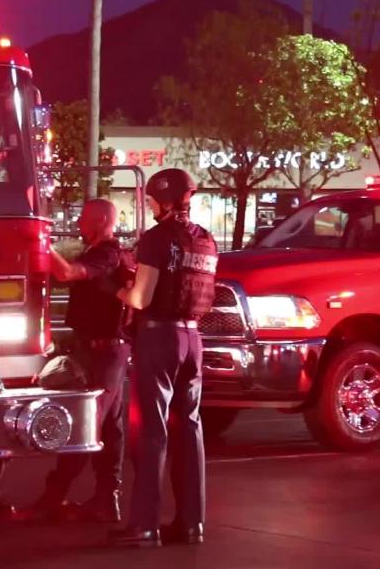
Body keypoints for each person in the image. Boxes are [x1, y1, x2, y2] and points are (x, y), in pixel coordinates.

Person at [109, 168, 217, 548]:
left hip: (160, 338)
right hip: (192, 339)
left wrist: (119, 289)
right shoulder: (205, 240)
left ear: (165, 200)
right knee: (190, 428)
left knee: (151, 431)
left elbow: (141, 298)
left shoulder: (156, 239)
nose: (150, 206)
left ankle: (145, 525)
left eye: (152, 199)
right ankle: (191, 524)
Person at [29, 198, 131, 523]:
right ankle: (105, 499)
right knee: (110, 428)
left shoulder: (107, 254)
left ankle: (54, 496)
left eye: (84, 219)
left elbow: (67, 272)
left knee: (85, 422)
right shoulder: (109, 254)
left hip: (102, 352)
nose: (78, 225)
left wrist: (40, 242)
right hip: (106, 351)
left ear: (102, 220)